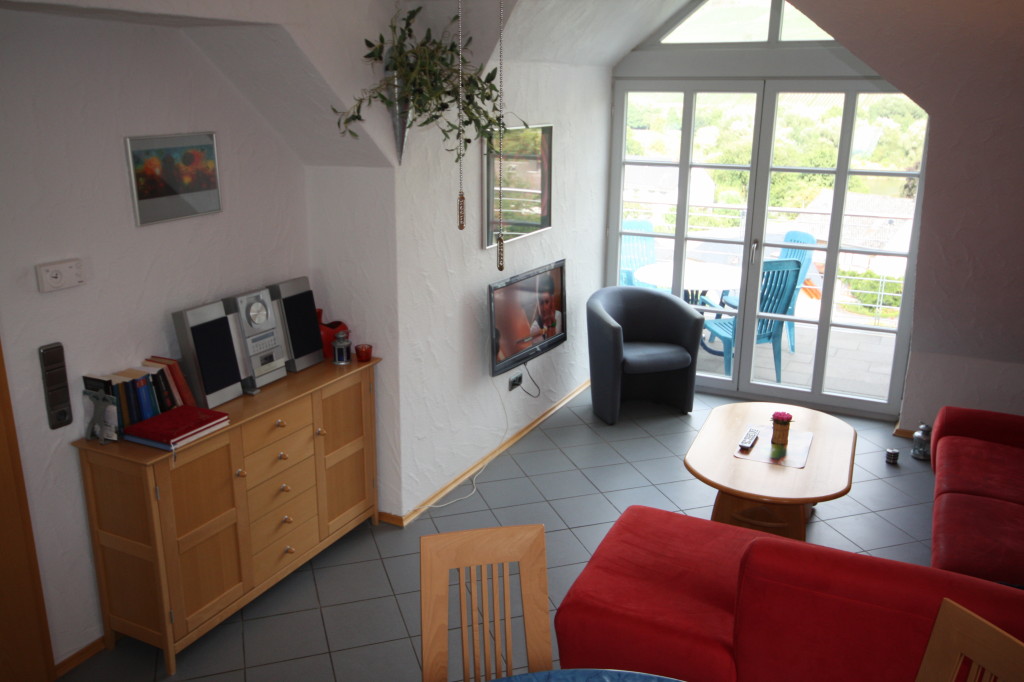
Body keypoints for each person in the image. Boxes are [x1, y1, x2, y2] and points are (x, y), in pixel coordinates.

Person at [530, 272, 562, 343]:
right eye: (541, 303)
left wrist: (552, 323)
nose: (544, 308)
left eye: (547, 302)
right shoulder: (534, 329)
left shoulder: (559, 316)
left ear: (552, 301)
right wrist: (551, 326)